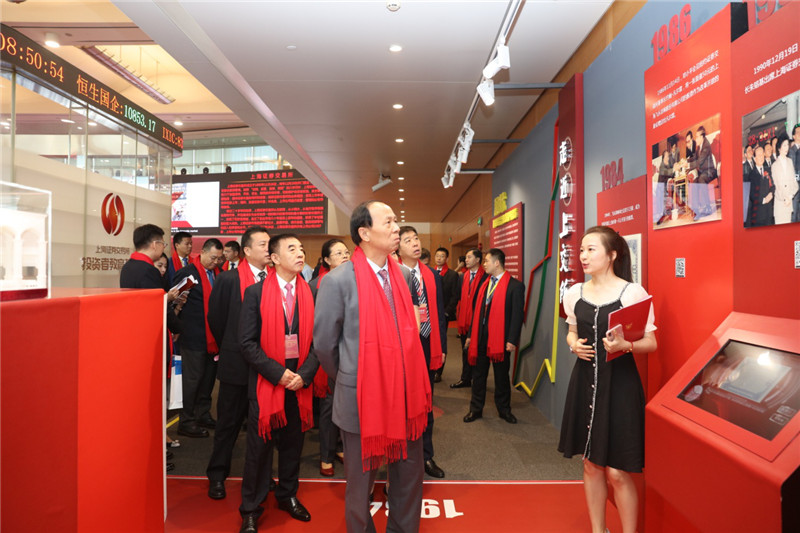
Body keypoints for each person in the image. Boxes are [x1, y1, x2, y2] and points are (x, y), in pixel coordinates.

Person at [314, 201, 429, 533]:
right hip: (361, 397)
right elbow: (324, 345)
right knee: (360, 484)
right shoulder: (338, 281)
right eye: (388, 221)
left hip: (405, 394)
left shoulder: (403, 276)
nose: (397, 227)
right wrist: (355, 376)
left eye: (396, 220)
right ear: (364, 233)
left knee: (409, 476)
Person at [558, 226, 657, 533]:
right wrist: (573, 344)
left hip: (620, 386)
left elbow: (651, 343)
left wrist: (626, 345)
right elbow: (571, 331)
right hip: (584, 383)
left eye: (591, 250)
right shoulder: (574, 293)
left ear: (612, 255)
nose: (583, 256)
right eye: (582, 250)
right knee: (590, 465)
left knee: (617, 471)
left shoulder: (632, 293)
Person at [238, 234, 319, 532]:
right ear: (274, 258)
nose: (300, 253)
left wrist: (304, 375)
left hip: (299, 385)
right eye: (291, 249)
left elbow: (319, 342)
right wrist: (278, 374)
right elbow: (246, 343)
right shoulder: (255, 293)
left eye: (301, 248)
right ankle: (251, 508)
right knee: (259, 450)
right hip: (268, 383)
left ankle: (287, 495)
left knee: (293, 446)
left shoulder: (311, 292)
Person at [205, 227, 271, 500]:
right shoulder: (229, 279)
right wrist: (233, 346)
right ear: (247, 250)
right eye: (263, 244)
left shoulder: (274, 279)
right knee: (228, 424)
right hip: (236, 364)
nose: (268, 249)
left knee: (263, 427)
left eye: (269, 244)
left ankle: (261, 478)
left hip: (266, 366)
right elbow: (216, 319)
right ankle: (217, 475)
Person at [120, 224, 182, 470]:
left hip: (137, 340)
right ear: (155, 244)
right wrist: (171, 305)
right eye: (163, 244)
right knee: (153, 400)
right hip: (150, 340)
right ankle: (155, 455)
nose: (162, 248)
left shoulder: (129, 267)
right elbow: (156, 307)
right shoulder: (147, 271)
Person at [397, 226, 447, 479]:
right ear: (397, 247)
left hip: (427, 343)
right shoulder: (393, 274)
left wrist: (443, 348)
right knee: (401, 405)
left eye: (416, 239)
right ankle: (399, 458)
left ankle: (426, 456)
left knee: (426, 403)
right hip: (401, 349)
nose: (415, 243)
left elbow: (440, 313)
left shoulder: (431, 275)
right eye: (408, 240)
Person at [463, 248, 524, 424]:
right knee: (478, 375)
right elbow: (477, 313)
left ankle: (504, 410)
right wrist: (470, 335)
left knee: (501, 377)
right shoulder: (484, 283)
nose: (484, 264)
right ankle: (475, 410)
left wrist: (512, 340)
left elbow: (517, 316)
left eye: (486, 261)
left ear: (497, 263)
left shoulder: (515, 286)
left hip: (501, 340)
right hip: (480, 337)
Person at [173, 238, 224, 438]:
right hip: (193, 336)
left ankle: (203, 414)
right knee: (192, 381)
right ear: (202, 252)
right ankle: (186, 421)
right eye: (212, 257)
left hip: (214, 339)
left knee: (208, 380)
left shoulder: (219, 274)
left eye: (219, 259)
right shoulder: (188, 274)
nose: (215, 262)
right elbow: (175, 303)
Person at [308, 238, 350, 477]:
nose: (345, 256)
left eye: (346, 252)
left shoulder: (355, 281)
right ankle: (326, 454)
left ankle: (340, 447)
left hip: (350, 353)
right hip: (327, 354)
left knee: (347, 405)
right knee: (328, 407)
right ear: (326, 259)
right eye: (338, 253)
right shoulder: (315, 285)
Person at [451, 248, 487, 390]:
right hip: (464, 322)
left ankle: (477, 381)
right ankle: (465, 378)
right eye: (465, 257)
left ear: (477, 260)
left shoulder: (485, 277)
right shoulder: (463, 277)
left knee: (478, 353)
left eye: (469, 257)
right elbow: (458, 296)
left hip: (478, 322)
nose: (466, 260)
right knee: (465, 350)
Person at [433, 246, 459, 382]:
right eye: (437, 256)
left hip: (444, 314)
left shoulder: (452, 275)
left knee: (441, 342)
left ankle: (439, 371)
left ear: (447, 258)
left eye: (442, 256)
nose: (439, 258)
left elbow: (455, 296)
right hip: (430, 314)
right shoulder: (430, 272)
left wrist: (447, 312)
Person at [686, 126, 716, 220]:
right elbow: (694, 157)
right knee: (695, 180)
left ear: (702, 137)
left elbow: (699, 162)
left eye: (697, 136)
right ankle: (696, 210)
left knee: (701, 178)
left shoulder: (706, 146)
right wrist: (686, 161)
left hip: (710, 171)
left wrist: (688, 165)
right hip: (703, 171)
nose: (696, 139)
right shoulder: (699, 146)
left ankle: (708, 207)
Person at [745, 146, 775, 227]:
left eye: (762, 154)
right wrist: (763, 200)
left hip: (769, 211)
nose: (761, 157)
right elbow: (752, 194)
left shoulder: (768, 170)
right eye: (759, 155)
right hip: (758, 212)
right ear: (754, 159)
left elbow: (772, 185)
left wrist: (771, 193)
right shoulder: (751, 175)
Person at [771, 134, 798, 224]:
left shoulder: (790, 162)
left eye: (787, 145)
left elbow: (795, 184)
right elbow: (777, 186)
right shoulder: (775, 165)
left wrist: (790, 197)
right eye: (784, 145)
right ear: (779, 148)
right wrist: (785, 198)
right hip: (780, 205)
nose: (787, 148)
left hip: (789, 204)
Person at [790, 124, 800, 223]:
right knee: (794, 215)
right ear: (793, 136)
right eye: (798, 132)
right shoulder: (791, 151)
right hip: (795, 188)